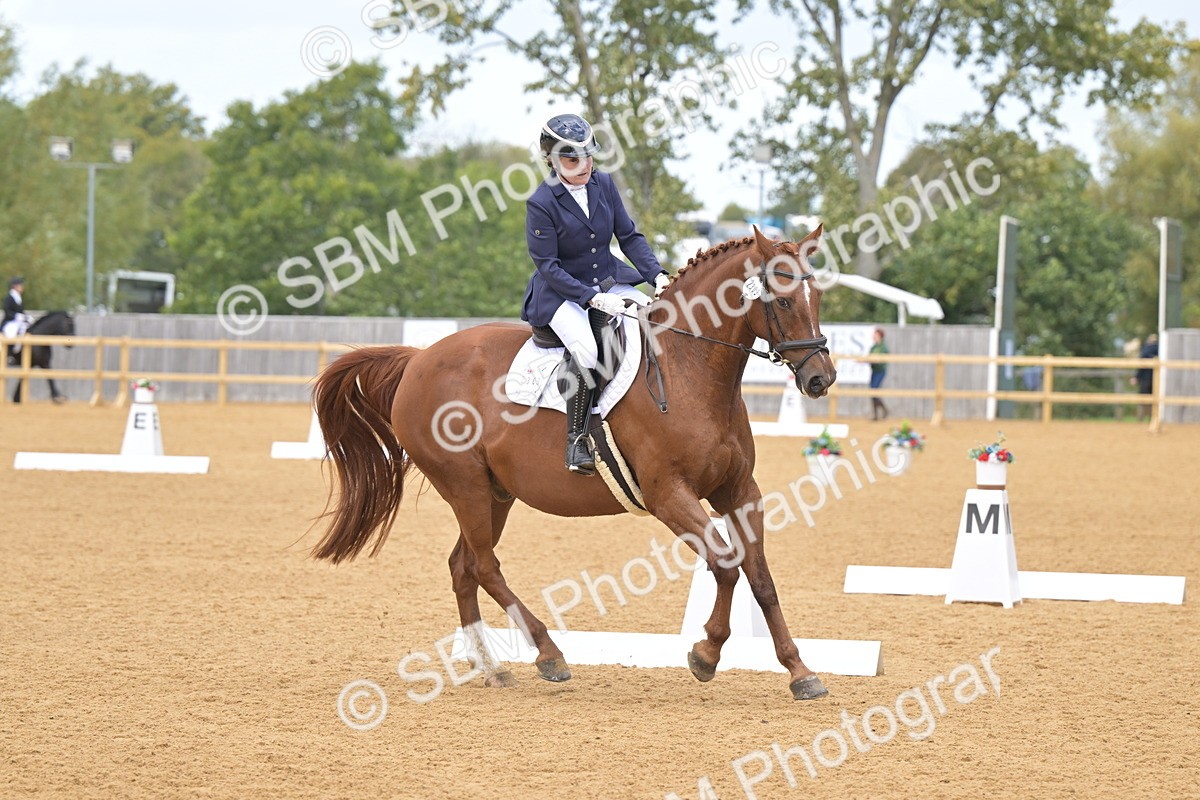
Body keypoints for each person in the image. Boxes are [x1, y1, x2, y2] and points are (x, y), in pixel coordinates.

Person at [522, 113, 670, 475]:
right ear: (552, 161)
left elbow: (629, 237)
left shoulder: (603, 184)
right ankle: (576, 440)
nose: (584, 165)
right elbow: (549, 266)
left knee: (654, 318)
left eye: (588, 156)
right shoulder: (541, 203)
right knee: (588, 348)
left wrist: (658, 276)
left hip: (607, 277)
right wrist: (591, 298)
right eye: (573, 160)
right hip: (561, 292)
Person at [2, 276, 31, 366]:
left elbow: (21, 311)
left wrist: (26, 317)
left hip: (18, 321)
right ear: (14, 286)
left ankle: (19, 352)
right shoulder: (9, 297)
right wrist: (16, 316)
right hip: (9, 322)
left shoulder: (19, 297)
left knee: (28, 328)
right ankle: (9, 354)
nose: (22, 287)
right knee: (12, 332)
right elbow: (7, 311)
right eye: (20, 285)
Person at [1132, 333, 1158, 421]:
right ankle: (1152, 418)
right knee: (1154, 399)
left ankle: (1141, 418)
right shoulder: (1159, 349)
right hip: (1156, 379)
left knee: (1143, 398)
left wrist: (1137, 377)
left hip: (1145, 379)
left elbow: (1141, 366)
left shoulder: (1145, 350)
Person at [868, 327, 889, 420]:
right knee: (872, 391)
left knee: (874, 390)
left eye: (875, 335)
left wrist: (875, 360)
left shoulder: (883, 347)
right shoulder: (873, 347)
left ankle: (884, 410)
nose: (874, 336)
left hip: (880, 371)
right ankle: (876, 414)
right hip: (874, 370)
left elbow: (883, 358)